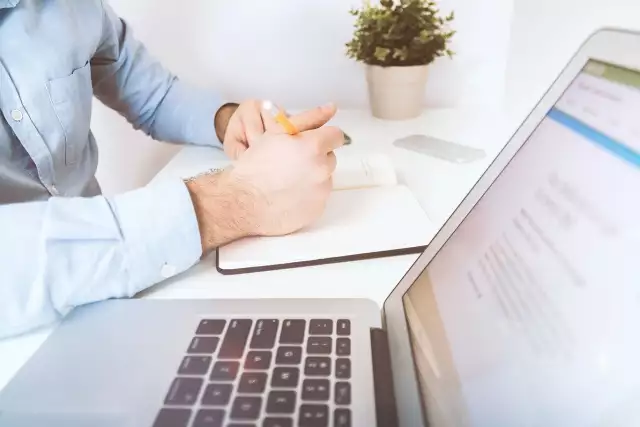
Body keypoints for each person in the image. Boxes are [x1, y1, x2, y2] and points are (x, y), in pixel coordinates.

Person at [0, 0, 344, 338]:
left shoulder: (76, 8)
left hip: (109, 299)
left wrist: (228, 121)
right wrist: (234, 200)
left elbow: (155, 96)